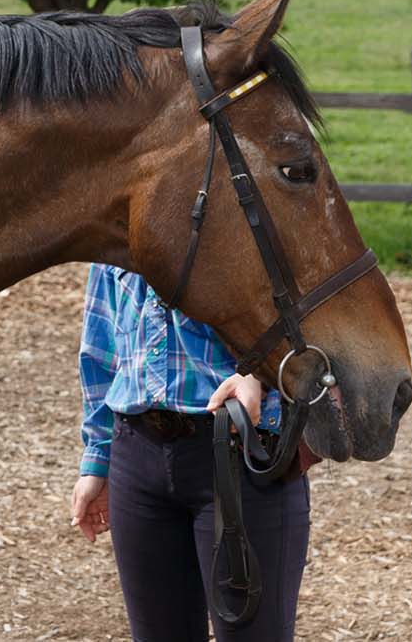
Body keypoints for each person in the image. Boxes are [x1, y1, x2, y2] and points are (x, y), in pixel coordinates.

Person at [71, 262, 311, 641]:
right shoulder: (117, 225)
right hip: (136, 458)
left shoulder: (252, 212)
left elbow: (314, 320)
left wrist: (259, 375)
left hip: (239, 454)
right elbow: (100, 351)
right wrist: (97, 461)